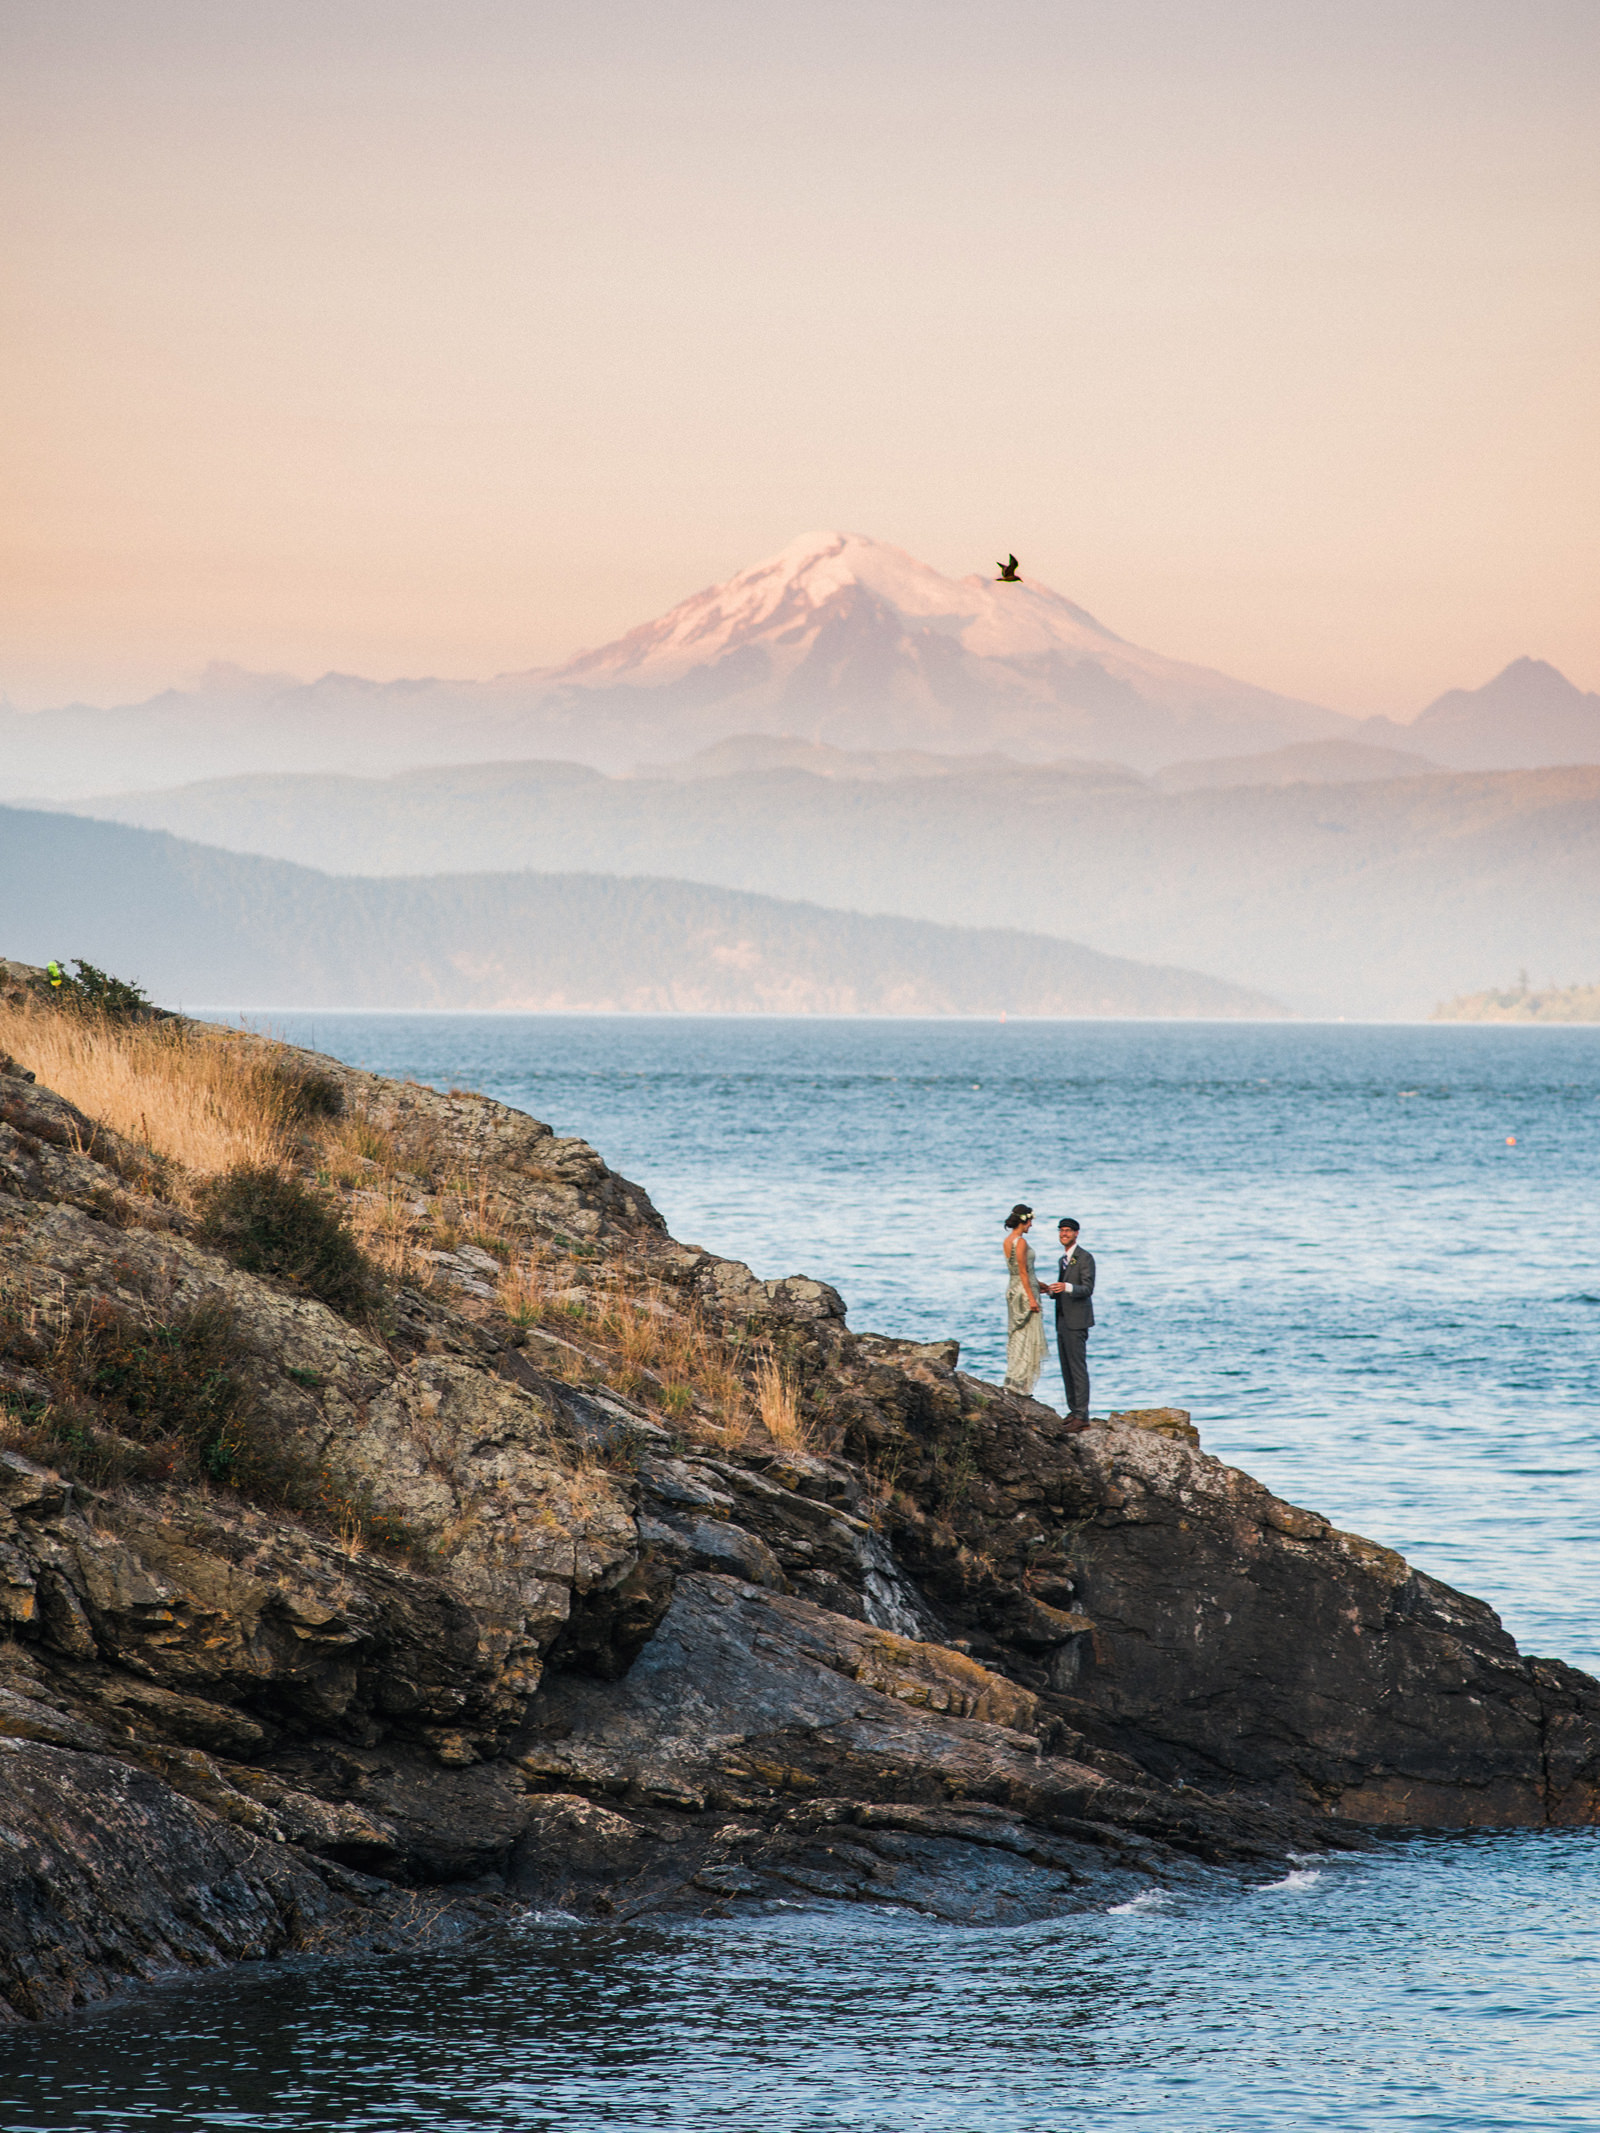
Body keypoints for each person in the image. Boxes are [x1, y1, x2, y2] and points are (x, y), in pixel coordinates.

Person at [1043, 1217, 1095, 1425]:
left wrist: (1066, 1287)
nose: (1063, 1234)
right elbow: (1063, 1288)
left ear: (1076, 1233)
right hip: (1062, 1320)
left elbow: (1087, 1288)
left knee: (1077, 1368)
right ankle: (1073, 1410)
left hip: (1077, 1321)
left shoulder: (1085, 1258)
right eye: (1061, 1231)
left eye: (1068, 1231)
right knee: (1066, 1367)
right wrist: (1050, 1290)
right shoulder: (1063, 1260)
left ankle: (1082, 1415)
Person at [1002, 1203, 1045, 1396]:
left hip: (1014, 1287)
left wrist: (1040, 1284)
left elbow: (1019, 1272)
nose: (1031, 1226)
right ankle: (1020, 1383)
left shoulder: (1007, 1240)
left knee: (1017, 1334)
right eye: (1030, 1222)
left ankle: (1016, 1379)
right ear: (1023, 1221)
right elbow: (1022, 1271)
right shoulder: (1020, 1242)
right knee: (1027, 1336)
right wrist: (1032, 1298)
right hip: (1023, 1291)